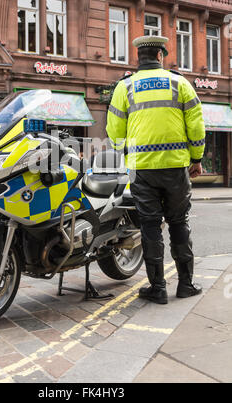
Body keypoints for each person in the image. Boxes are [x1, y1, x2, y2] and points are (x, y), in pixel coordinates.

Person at [106, 35, 206, 305]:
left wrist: (125, 152)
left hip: (142, 170)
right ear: (160, 56)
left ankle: (157, 288)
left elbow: (114, 132)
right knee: (179, 223)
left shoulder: (124, 87)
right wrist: (196, 158)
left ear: (139, 57)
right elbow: (196, 125)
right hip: (175, 166)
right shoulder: (180, 83)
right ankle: (185, 284)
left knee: (150, 227)